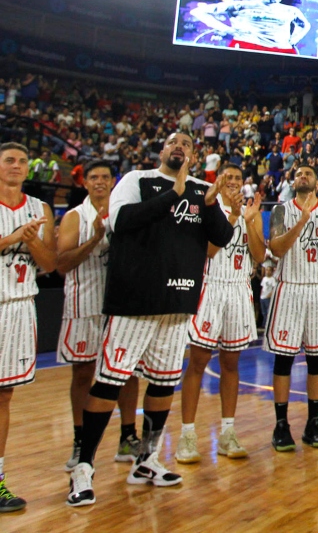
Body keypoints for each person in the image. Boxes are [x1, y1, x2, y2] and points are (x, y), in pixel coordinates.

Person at [67, 133, 235, 507]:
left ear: (194, 154)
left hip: (178, 302)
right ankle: (84, 467)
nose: (180, 147)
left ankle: (147, 460)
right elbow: (121, 222)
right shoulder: (136, 181)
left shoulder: (202, 189)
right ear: (162, 151)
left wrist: (209, 205)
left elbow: (222, 238)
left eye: (187, 144)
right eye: (173, 142)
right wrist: (175, 194)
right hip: (135, 299)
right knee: (109, 382)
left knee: (162, 384)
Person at [55, 160, 141, 472]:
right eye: (94, 177)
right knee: (82, 373)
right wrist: (93, 239)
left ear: (113, 181)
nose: (100, 182)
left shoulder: (124, 211)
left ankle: (128, 436)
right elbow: (61, 264)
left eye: (106, 177)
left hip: (119, 304)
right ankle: (80, 440)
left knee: (127, 372)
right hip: (83, 304)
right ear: (85, 183)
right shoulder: (74, 217)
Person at [176, 162, 265, 463]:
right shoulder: (208, 206)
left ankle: (228, 432)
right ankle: (187, 435)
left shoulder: (251, 212)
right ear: (218, 180)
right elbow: (211, 250)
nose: (233, 182)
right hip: (211, 286)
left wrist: (251, 222)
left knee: (231, 363)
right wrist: (238, 216)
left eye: (238, 178)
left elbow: (260, 255)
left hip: (240, 288)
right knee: (198, 361)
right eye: (228, 177)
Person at [264, 164, 318, 452]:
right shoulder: (280, 211)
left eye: (308, 174)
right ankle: (281, 424)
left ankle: (313, 424)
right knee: (283, 360)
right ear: (293, 180)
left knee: (317, 362)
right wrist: (301, 223)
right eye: (299, 173)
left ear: (317, 181)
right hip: (290, 288)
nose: (303, 177)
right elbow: (275, 249)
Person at [0, 143, 56, 512]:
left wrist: (33, 241)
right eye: (9, 160)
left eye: (22, 161)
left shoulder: (41, 209)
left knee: (3, 397)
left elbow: (50, 263)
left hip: (19, 307)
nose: (17, 166)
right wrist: (11, 238)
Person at [190, 0, 313, 55]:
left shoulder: (290, 10)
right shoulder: (241, 5)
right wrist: (227, 30)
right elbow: (198, 11)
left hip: (282, 49)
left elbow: (304, 25)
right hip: (248, 45)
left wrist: (293, 40)